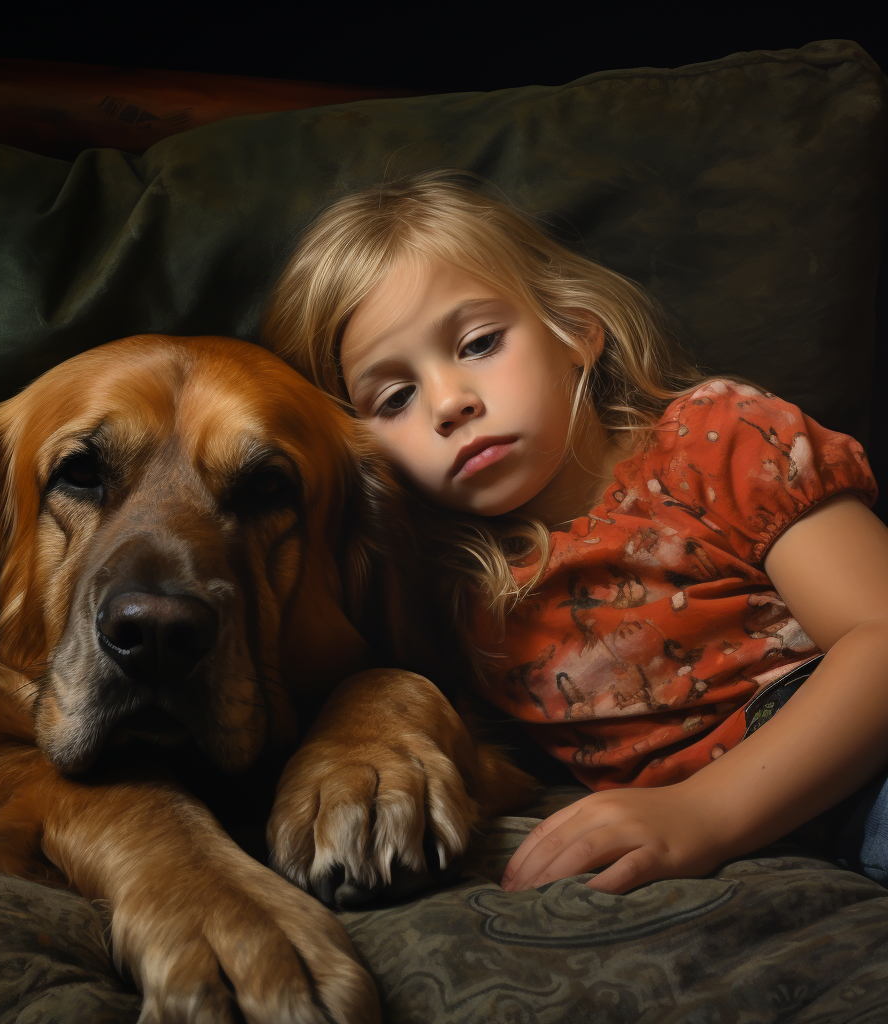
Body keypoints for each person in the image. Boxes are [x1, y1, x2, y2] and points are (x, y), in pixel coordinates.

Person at [261, 169, 888, 895]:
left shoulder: (719, 441)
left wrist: (705, 813)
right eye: (395, 396)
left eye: (479, 343)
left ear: (576, 331)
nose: (450, 402)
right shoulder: (443, 587)